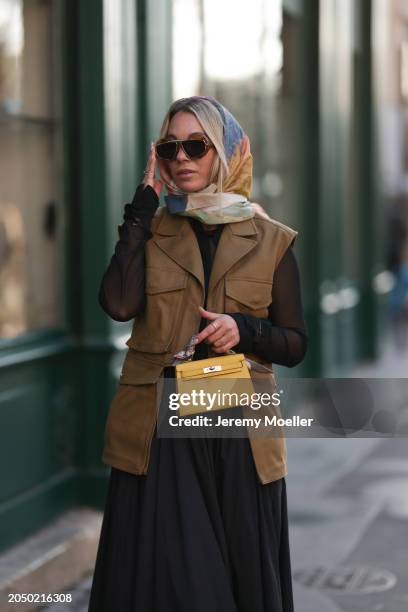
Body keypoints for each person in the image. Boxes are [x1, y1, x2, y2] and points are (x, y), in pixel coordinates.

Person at [88, 96, 308, 612]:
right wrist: (143, 204)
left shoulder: (271, 240)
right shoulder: (151, 230)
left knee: (233, 582)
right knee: (174, 586)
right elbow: (118, 303)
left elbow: (294, 344)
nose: (181, 157)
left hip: (238, 437)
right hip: (159, 436)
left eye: (196, 145)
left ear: (226, 152)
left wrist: (245, 329)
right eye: (170, 147)